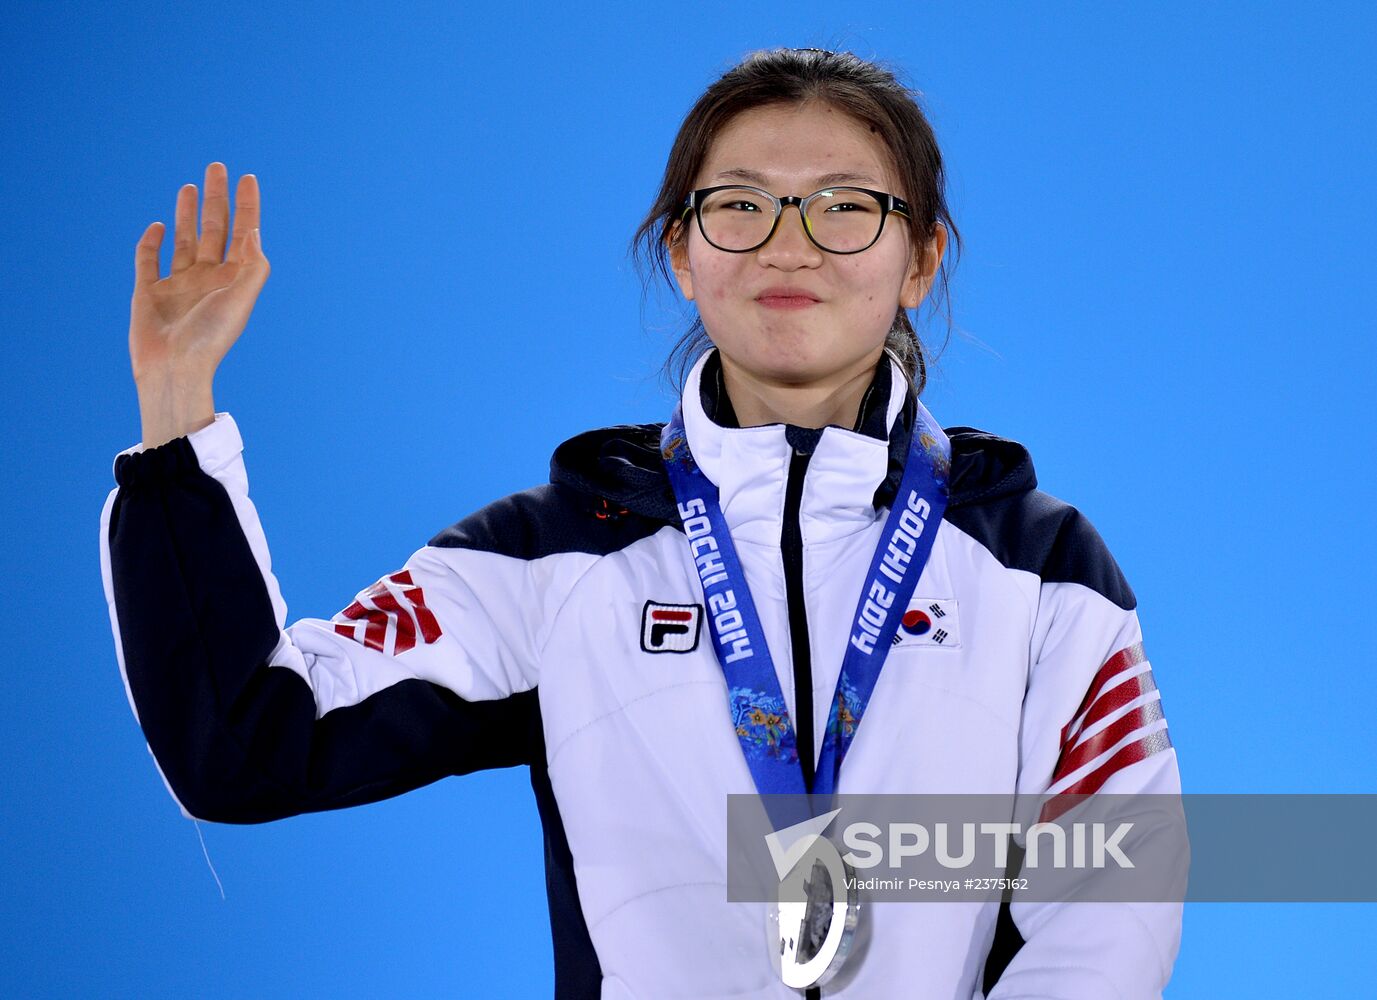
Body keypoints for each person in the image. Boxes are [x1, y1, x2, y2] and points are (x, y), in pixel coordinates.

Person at [100, 48, 1181, 999]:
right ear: (682, 251)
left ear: (922, 257)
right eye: (740, 204)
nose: (790, 244)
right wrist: (178, 409)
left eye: (847, 204)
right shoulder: (552, 557)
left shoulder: (1039, 568)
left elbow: (1110, 905)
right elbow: (248, 744)